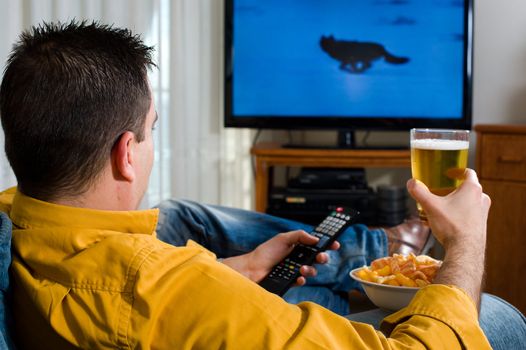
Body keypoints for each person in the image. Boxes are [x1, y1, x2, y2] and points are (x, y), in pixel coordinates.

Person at [0, 20, 523, 349]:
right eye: (151, 131)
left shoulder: (13, 219)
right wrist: (467, 240)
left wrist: (236, 268)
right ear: (125, 155)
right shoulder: (168, 287)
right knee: (497, 315)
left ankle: (375, 249)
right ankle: (384, 248)